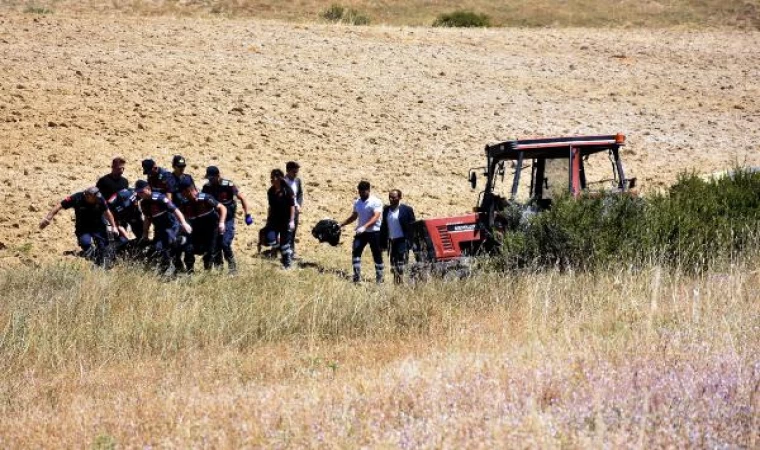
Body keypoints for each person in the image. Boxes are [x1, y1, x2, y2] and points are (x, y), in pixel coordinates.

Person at [39, 186, 122, 265]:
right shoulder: (77, 198)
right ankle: (95, 257)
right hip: (83, 227)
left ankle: (104, 259)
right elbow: (60, 205)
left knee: (103, 246)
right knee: (85, 243)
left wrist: (114, 226)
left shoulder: (100, 198)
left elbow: (108, 212)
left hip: (98, 226)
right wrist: (48, 218)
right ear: (88, 196)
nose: (97, 199)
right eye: (95, 197)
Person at [201, 166, 252, 273]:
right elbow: (201, 201)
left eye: (212, 178)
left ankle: (232, 268)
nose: (210, 180)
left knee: (225, 243)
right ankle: (219, 269)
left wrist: (247, 214)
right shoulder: (206, 187)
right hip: (214, 220)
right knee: (215, 245)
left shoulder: (228, 185)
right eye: (209, 178)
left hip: (228, 219)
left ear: (218, 176)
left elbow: (242, 198)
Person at [135, 179, 192, 273]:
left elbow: (175, 210)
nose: (140, 194)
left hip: (171, 226)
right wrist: (145, 233)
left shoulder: (160, 198)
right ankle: (174, 268)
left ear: (148, 189)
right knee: (159, 248)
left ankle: (179, 241)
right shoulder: (143, 203)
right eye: (138, 192)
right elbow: (147, 219)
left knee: (168, 244)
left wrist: (183, 223)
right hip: (159, 229)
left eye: (141, 191)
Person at [176, 179, 227, 272]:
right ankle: (189, 272)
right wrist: (183, 225)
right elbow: (181, 216)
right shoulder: (184, 204)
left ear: (188, 190)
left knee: (211, 252)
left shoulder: (205, 198)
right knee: (188, 249)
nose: (181, 195)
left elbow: (222, 208)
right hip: (196, 231)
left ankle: (208, 273)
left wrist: (222, 223)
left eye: (182, 192)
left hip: (211, 231)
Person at [339, 181, 384, 283]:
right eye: (360, 192)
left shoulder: (375, 201)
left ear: (368, 190)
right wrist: (342, 224)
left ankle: (379, 278)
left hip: (374, 232)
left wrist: (365, 226)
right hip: (361, 232)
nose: (361, 194)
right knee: (356, 251)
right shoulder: (357, 202)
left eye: (364, 192)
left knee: (376, 254)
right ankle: (356, 276)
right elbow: (354, 216)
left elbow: (376, 217)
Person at [379, 189, 417, 284]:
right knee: (393, 263)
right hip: (392, 241)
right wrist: (382, 243)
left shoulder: (406, 210)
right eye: (390, 197)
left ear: (400, 198)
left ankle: (402, 282)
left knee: (402, 264)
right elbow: (384, 227)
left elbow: (413, 226)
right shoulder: (386, 210)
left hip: (402, 241)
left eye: (394, 197)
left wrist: (412, 241)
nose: (391, 199)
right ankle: (396, 282)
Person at [265, 169, 296, 269]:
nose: (272, 180)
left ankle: (287, 263)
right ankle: (280, 249)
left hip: (285, 220)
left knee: (285, 244)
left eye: (273, 178)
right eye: (271, 178)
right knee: (270, 238)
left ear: (279, 179)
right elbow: (270, 206)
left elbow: (292, 206)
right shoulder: (270, 191)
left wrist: (291, 221)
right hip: (274, 219)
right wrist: (268, 220)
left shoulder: (287, 190)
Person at [283, 161, 303, 258]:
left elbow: (300, 194)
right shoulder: (282, 182)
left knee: (293, 231)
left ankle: (292, 251)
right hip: (285, 210)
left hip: (295, 210)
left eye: (297, 172)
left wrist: (299, 204)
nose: (296, 174)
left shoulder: (298, 181)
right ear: (288, 171)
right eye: (294, 172)